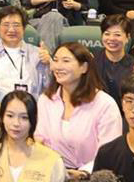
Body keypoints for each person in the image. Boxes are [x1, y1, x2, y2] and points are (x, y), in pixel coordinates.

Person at [34, 42, 123, 172]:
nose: (58, 67)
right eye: (56, 60)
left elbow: (110, 153)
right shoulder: (46, 100)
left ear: (84, 67)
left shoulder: (105, 104)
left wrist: (82, 173)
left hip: (92, 175)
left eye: (66, 61)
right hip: (51, 172)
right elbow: (40, 140)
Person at [0, 6, 51, 101]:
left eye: (16, 25)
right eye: (6, 25)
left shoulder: (37, 53)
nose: (11, 30)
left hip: (29, 107)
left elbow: (49, 87)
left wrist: (49, 64)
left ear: (24, 28)